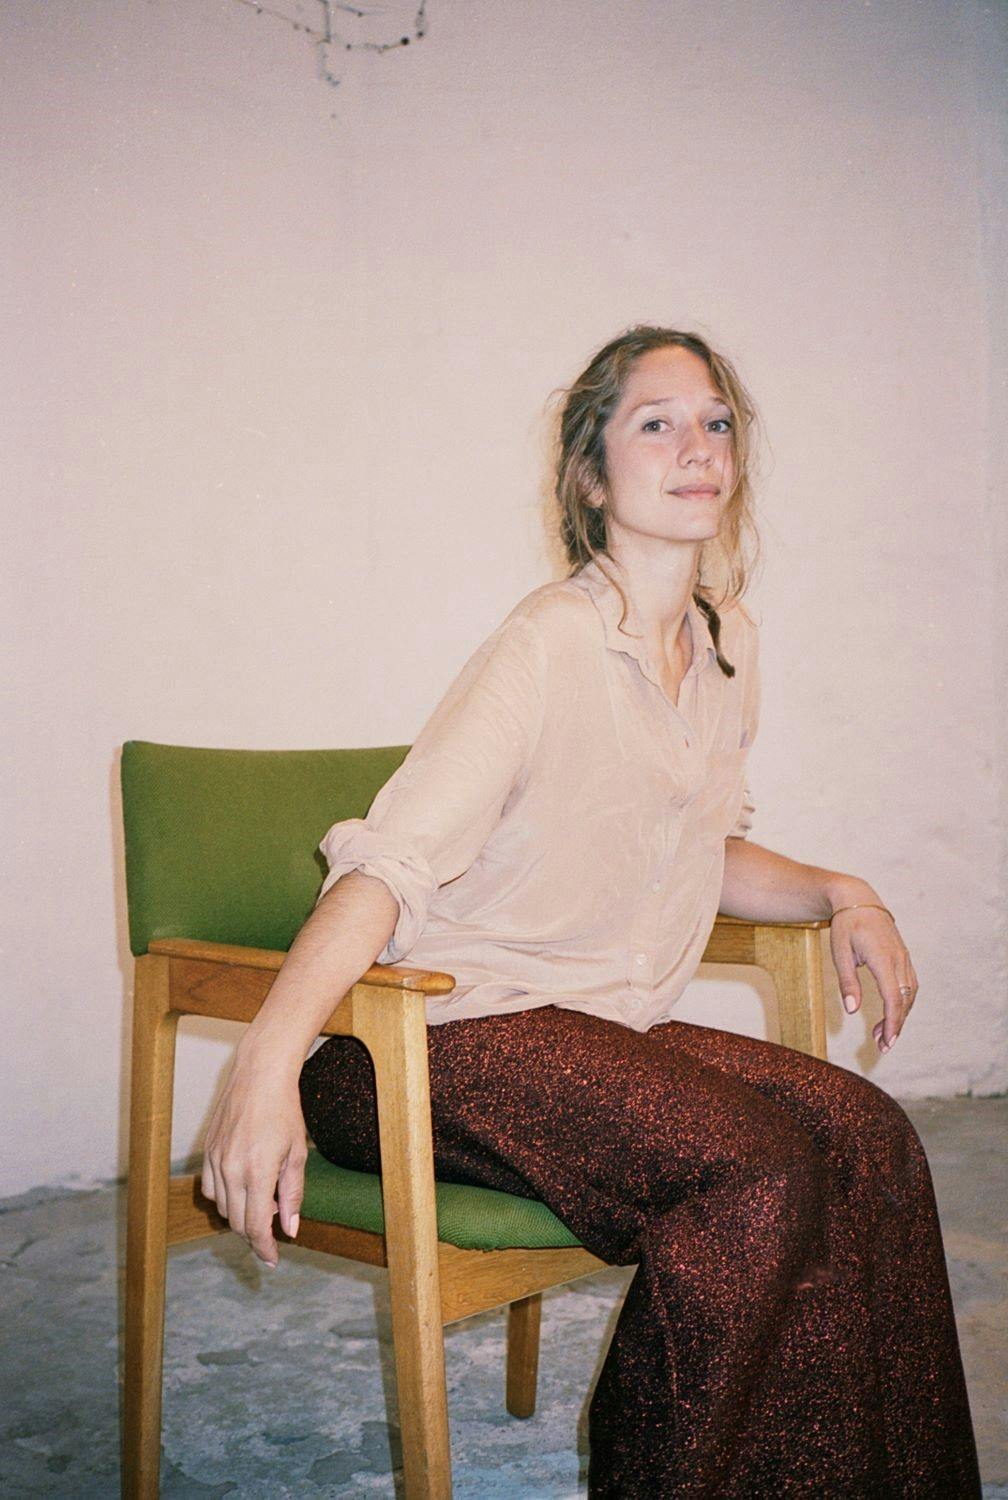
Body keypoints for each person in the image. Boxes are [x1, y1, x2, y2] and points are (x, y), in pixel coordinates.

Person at [201, 326, 981, 1497]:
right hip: (424, 1047)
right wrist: (266, 1061)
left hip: (596, 1036)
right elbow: (387, 869)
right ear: (591, 476)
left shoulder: (724, 646)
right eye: (656, 424)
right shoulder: (546, 642)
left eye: (715, 422)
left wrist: (842, 891)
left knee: (870, 1141)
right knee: (755, 1169)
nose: (696, 446)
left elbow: (703, 849)